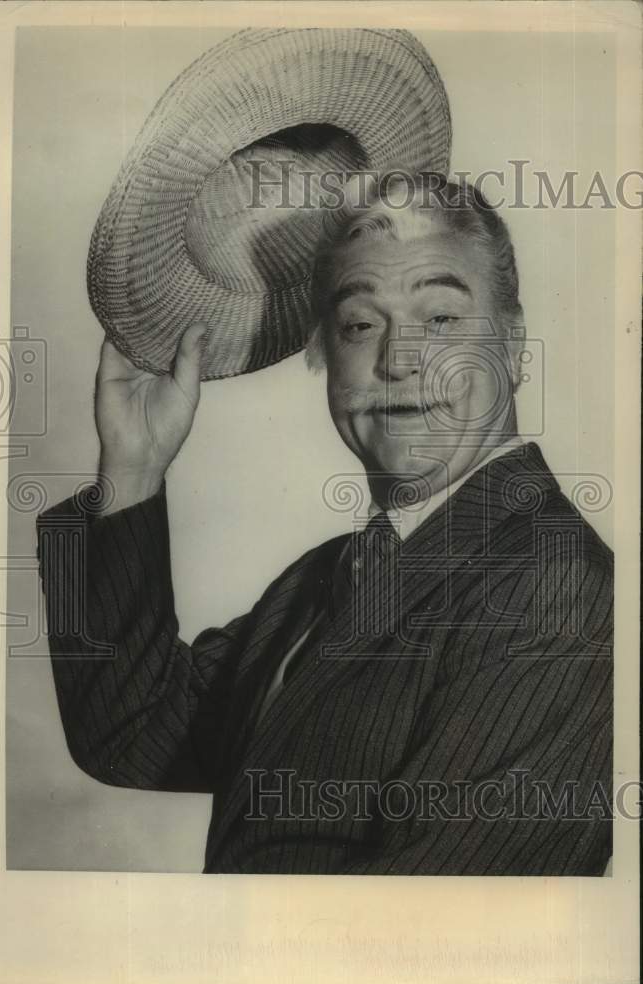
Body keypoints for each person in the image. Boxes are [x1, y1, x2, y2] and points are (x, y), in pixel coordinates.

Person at [37, 174, 613, 875]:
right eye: (360, 325)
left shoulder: (558, 588)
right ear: (323, 356)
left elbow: (442, 935)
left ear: (515, 343)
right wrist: (134, 469)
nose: (399, 361)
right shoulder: (322, 578)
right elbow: (131, 738)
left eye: (440, 319)